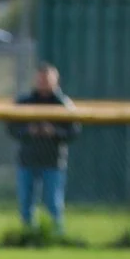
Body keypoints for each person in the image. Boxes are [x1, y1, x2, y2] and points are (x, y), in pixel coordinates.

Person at [8, 63, 79, 235]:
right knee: (26, 204)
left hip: (53, 161)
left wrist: (54, 131)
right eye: (40, 79)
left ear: (56, 81)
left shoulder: (63, 103)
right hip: (28, 159)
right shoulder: (25, 101)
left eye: (47, 79)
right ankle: (27, 236)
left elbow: (74, 131)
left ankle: (56, 236)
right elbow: (11, 127)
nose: (43, 82)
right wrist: (28, 130)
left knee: (53, 204)